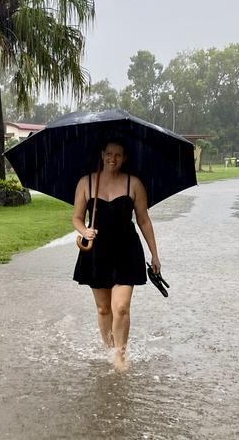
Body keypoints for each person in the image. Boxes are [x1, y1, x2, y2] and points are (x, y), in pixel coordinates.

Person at [72, 139, 161, 372]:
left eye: (118, 155)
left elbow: (143, 220)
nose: (113, 158)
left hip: (126, 250)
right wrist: (84, 231)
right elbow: (77, 218)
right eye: (109, 154)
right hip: (96, 251)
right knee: (103, 309)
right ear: (102, 155)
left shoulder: (134, 184)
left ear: (125, 158)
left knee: (120, 307)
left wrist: (155, 254)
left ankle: (120, 354)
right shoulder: (86, 182)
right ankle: (110, 349)